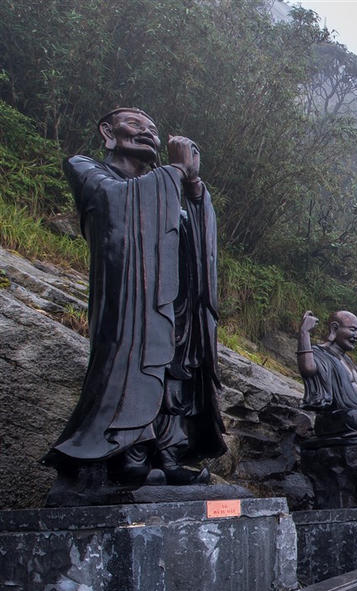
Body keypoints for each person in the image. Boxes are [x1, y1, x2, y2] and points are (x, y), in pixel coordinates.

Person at [44, 107, 224, 490]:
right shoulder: (88, 169)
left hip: (177, 303)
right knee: (133, 367)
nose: (147, 133)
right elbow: (118, 207)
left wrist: (193, 191)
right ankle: (126, 455)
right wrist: (174, 171)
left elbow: (193, 234)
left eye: (153, 129)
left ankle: (169, 454)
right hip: (130, 303)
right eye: (135, 125)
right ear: (107, 130)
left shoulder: (164, 184)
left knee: (176, 373)